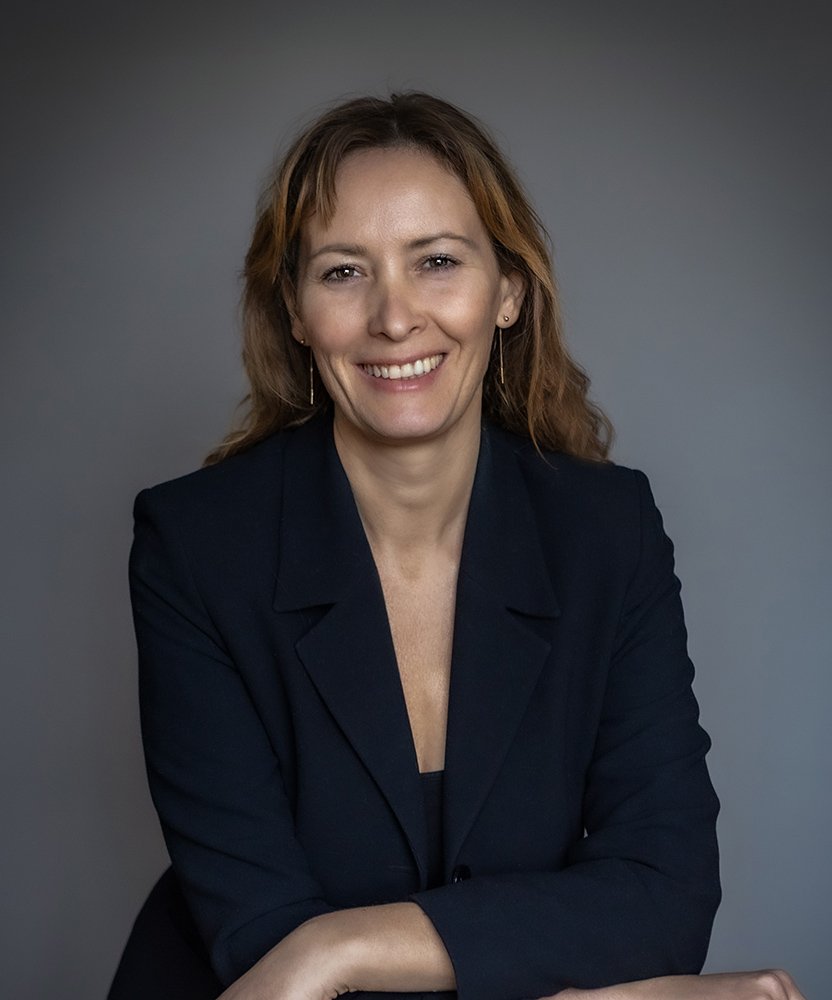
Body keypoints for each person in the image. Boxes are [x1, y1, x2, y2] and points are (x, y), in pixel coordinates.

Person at [109, 93, 805, 1000]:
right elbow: (263, 949)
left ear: (507, 292)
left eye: (437, 261)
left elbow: (666, 892)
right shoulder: (195, 547)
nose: (395, 319)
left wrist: (341, 950)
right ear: (293, 309)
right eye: (343, 273)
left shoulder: (608, 532)